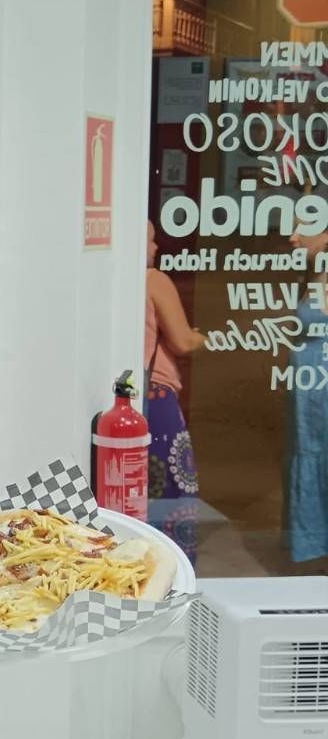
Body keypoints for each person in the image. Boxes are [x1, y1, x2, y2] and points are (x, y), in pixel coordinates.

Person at [145, 221, 205, 564]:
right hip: (158, 402)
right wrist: (208, 338)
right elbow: (182, 341)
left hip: (127, 401)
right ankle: (176, 573)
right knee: (171, 493)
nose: (156, 250)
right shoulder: (153, 279)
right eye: (151, 241)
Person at [284, 227, 328, 564]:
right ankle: (314, 544)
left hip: (321, 385)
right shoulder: (313, 271)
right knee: (310, 453)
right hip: (309, 389)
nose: (292, 239)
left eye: (301, 231)